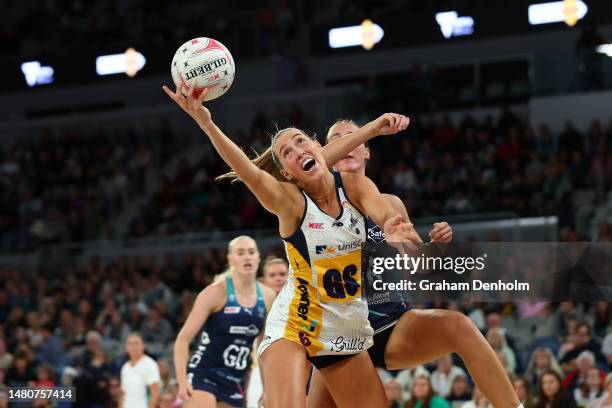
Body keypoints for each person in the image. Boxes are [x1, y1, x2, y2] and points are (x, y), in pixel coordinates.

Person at [163, 83, 415, 408]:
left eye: (300, 142)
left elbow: (381, 210)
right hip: (294, 326)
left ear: (317, 147)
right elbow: (250, 173)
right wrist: (207, 123)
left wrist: (392, 224)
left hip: (342, 325)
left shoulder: (355, 186)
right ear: (287, 173)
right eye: (287, 153)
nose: (297, 151)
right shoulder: (290, 202)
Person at [307, 119, 521, 408]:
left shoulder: (391, 204)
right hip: (337, 336)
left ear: (366, 151)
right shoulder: (309, 203)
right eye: (338, 139)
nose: (347, 143)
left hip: (391, 323)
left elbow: (420, 265)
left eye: (354, 137)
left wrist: (435, 248)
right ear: (324, 151)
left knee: (460, 325)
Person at [173, 236, 275, 408]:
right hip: (203, 374)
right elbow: (183, 339)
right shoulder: (215, 292)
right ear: (230, 259)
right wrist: (182, 381)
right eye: (240, 253)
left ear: (258, 257)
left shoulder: (267, 296)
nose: (247, 257)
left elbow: (263, 349)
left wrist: (267, 389)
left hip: (235, 381)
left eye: (251, 252)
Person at [119, 333, 160, 408]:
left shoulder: (150, 364)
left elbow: (155, 394)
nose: (134, 346)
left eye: (137, 343)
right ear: (126, 347)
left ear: (143, 345)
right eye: (130, 344)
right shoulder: (125, 367)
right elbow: (123, 393)